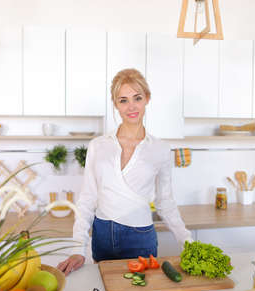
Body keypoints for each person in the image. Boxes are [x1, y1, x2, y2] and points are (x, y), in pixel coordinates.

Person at [57, 68, 193, 275]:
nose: (131, 106)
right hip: (102, 235)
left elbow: (165, 202)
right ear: (115, 104)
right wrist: (78, 248)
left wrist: (188, 242)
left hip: (140, 237)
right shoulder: (98, 145)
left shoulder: (161, 149)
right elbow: (87, 198)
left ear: (147, 99)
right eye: (123, 100)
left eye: (137, 98)